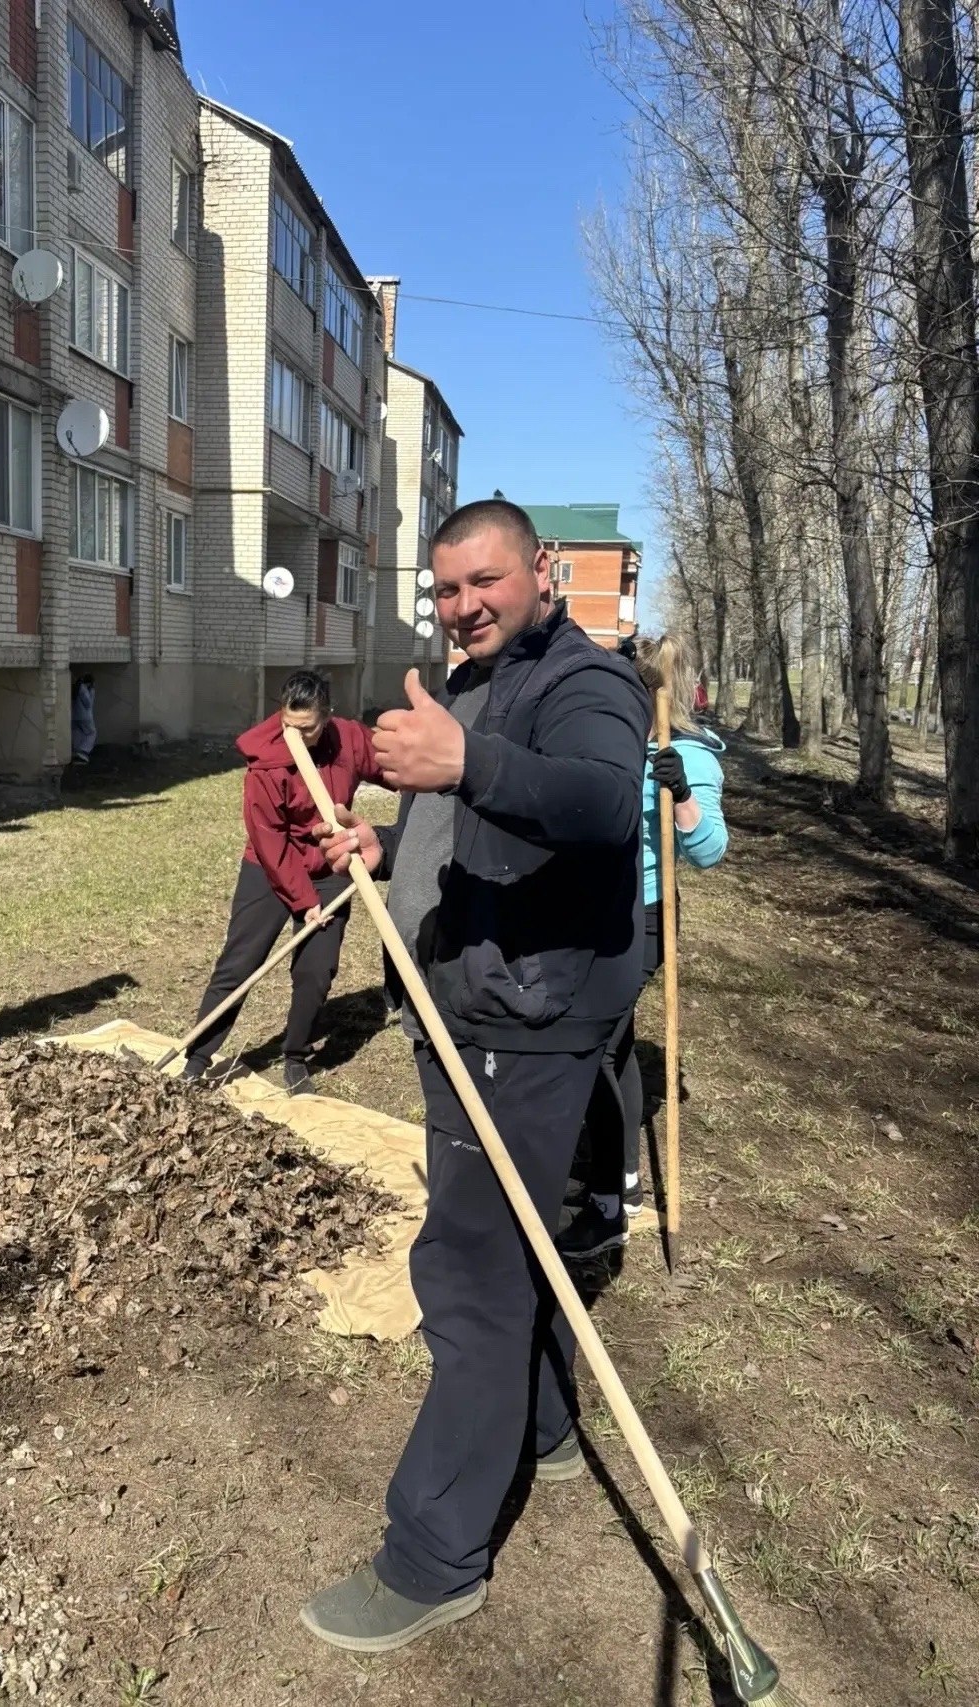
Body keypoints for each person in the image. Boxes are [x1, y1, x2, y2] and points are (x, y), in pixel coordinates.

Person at [298, 500, 651, 1651]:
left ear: (540, 570)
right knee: (519, 1236)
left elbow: (600, 803)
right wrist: (389, 847)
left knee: (469, 1271)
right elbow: (482, 838)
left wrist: (469, 759)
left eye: (484, 582)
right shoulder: (463, 681)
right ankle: (542, 1426)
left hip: (524, 1019)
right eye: (445, 590)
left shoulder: (580, 681)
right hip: (476, 1000)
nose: (463, 607)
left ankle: (432, 1557)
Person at [559, 632, 728, 1260]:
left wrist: (680, 794)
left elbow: (709, 853)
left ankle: (608, 1204)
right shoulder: (616, 738)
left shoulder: (691, 757)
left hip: (644, 914)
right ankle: (623, 1173)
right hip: (591, 904)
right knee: (614, 1042)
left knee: (599, 1043)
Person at [181, 671, 385, 1096]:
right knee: (240, 962)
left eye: (307, 728)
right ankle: (197, 1058)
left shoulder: (348, 739)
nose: (296, 736)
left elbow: (392, 770)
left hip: (330, 865)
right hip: (270, 867)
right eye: (289, 726)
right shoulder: (266, 762)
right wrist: (303, 898)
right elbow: (268, 839)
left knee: (317, 969)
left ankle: (295, 1057)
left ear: (326, 717)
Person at [71, 673, 97, 764]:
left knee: (78, 733)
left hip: (74, 716)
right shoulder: (83, 689)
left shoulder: (76, 688)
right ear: (90, 682)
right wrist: (92, 691)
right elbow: (88, 704)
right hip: (85, 716)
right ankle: (83, 751)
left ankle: (76, 752)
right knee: (91, 733)